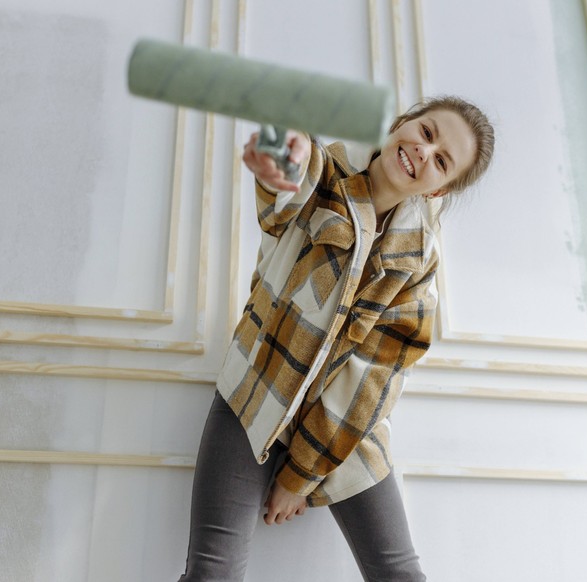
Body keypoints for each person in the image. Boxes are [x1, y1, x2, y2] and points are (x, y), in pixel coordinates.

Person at [178, 96, 495, 581]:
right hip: (253, 399)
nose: (423, 154)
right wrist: (283, 146)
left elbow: (374, 376)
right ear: (405, 122)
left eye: (442, 161)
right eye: (427, 133)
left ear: (439, 190)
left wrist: (299, 475)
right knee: (211, 574)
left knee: (400, 575)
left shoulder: (419, 261)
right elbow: (283, 187)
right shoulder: (324, 174)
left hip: (341, 432)